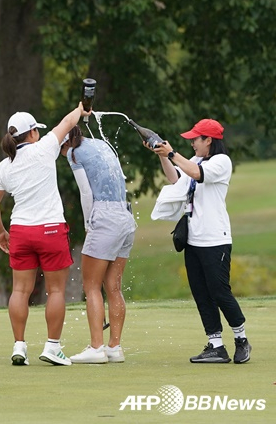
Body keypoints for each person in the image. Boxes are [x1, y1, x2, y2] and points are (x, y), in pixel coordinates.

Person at [0, 103, 90, 366]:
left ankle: (19, 346)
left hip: (20, 231)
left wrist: (1, 232)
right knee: (55, 291)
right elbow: (68, 122)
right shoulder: (45, 148)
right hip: (51, 229)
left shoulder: (4, 166)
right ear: (32, 133)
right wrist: (81, 108)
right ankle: (52, 347)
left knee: (20, 291)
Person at [147, 118, 251, 364]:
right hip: (193, 240)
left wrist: (172, 152)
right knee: (201, 293)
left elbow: (198, 175)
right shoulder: (195, 160)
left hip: (215, 239)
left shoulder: (221, 162)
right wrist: (162, 154)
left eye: (196, 139)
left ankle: (241, 339)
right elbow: (176, 179)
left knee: (220, 292)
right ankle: (216, 345)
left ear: (209, 140)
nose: (192, 143)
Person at [60, 126, 137, 364]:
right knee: (113, 287)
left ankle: (96, 347)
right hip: (125, 215)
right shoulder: (100, 144)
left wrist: (87, 223)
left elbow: (85, 192)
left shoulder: (73, 153)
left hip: (103, 215)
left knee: (91, 286)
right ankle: (115, 347)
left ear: (64, 143)